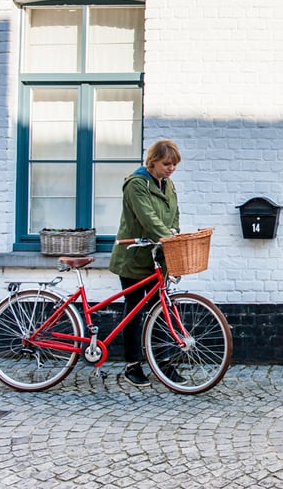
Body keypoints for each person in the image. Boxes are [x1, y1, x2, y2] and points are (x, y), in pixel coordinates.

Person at [109, 139, 185, 387]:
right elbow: (147, 218)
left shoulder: (168, 185)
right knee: (134, 311)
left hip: (156, 258)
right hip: (134, 256)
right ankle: (132, 365)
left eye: (174, 164)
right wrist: (167, 237)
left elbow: (173, 214)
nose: (171, 168)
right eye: (166, 164)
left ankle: (162, 363)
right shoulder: (136, 184)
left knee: (160, 312)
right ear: (152, 162)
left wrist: (174, 232)